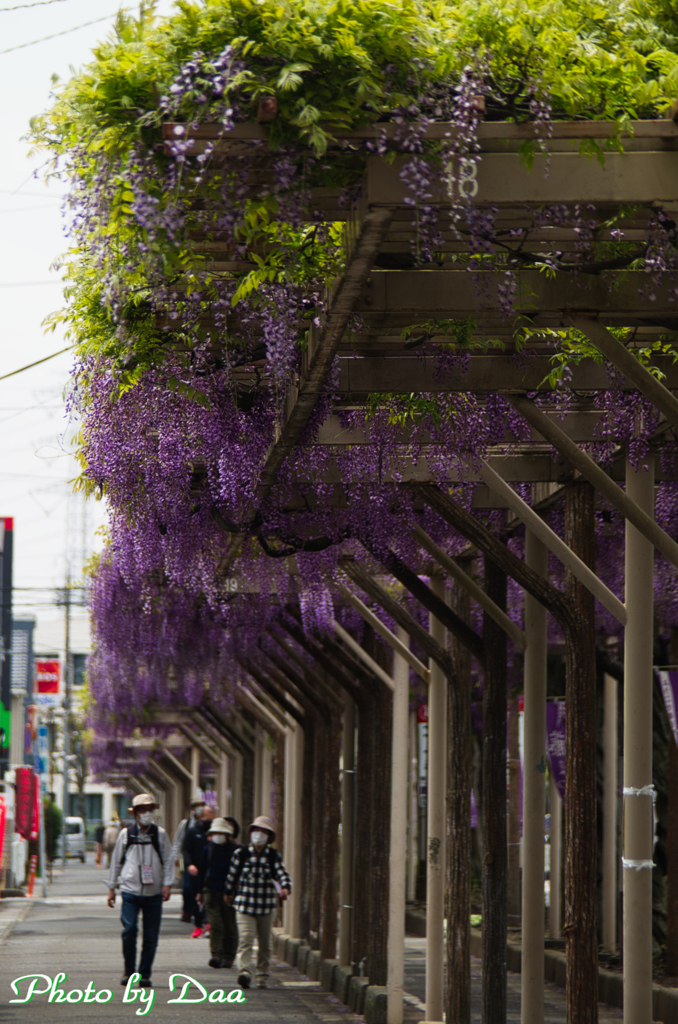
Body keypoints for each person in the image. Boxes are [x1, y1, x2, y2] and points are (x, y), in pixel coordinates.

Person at [106, 794, 173, 987]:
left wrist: (167, 884)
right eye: (143, 810)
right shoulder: (126, 834)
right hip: (130, 891)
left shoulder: (159, 834)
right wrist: (111, 888)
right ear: (135, 813)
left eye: (150, 809)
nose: (147, 813)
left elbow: (168, 860)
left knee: (151, 935)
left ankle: (144, 974)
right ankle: (129, 971)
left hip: (154, 892)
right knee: (129, 930)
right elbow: (116, 862)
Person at [224, 815, 291, 990]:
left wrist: (285, 887)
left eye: (263, 831)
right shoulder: (241, 853)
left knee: (265, 943)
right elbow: (232, 875)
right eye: (256, 830)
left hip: (266, 906)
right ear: (251, 832)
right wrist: (228, 893)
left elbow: (281, 873)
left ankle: (262, 976)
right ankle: (245, 972)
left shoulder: (273, 855)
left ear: (268, 836)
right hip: (245, 905)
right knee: (245, 939)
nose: (259, 834)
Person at [197, 817, 240, 968]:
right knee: (215, 923)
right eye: (215, 832)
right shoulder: (207, 850)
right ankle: (216, 954)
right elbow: (202, 871)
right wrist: (200, 891)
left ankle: (229, 956)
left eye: (220, 832)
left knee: (229, 924)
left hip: (229, 892)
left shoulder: (235, 851)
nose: (217, 835)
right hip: (210, 889)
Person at [172, 797, 205, 923]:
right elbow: (178, 841)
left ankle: (198, 910)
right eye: (197, 805)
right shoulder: (185, 824)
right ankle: (187, 910)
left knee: (199, 886)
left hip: (201, 860)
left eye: (201, 805)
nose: (199, 808)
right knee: (187, 886)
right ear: (192, 809)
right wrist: (176, 856)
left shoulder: (206, 823)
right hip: (187, 859)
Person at [183, 801, 209, 937]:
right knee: (195, 897)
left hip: (210, 872)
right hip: (196, 871)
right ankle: (198, 925)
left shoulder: (214, 833)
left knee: (210, 897)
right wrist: (189, 864)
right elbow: (185, 849)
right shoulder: (192, 831)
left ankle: (209, 924)